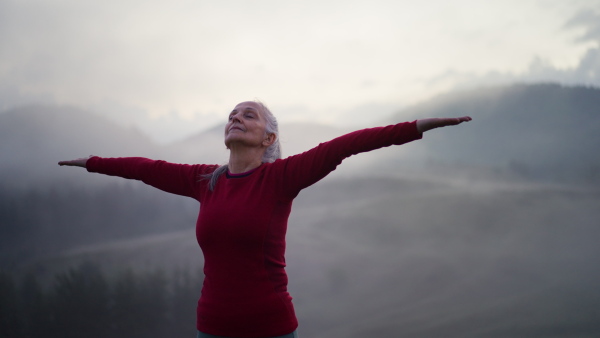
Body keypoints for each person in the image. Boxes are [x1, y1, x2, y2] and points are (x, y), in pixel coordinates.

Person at [59, 100, 471, 338]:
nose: (236, 117)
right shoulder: (205, 181)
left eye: (249, 115)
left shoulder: (280, 178)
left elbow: (348, 143)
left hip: (269, 330)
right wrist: (92, 163)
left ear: (269, 138)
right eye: (232, 114)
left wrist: (417, 126)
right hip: (211, 329)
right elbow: (146, 167)